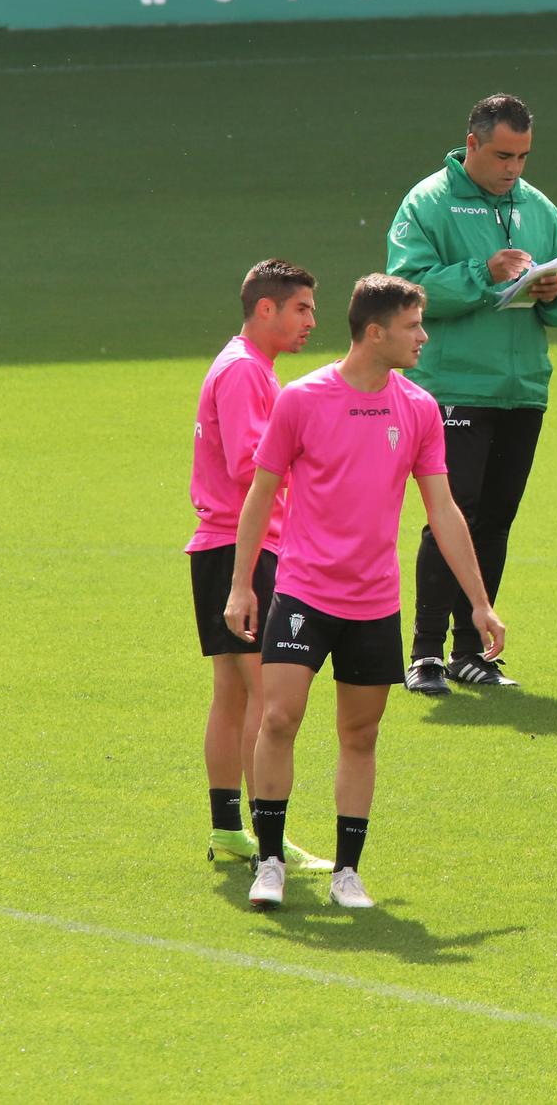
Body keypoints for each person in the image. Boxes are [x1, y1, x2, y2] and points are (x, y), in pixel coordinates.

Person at [228, 275, 506, 910]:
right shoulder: (301, 399)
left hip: (374, 602)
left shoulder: (418, 408)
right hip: (302, 592)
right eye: (413, 325)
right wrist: (242, 585)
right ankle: (269, 861)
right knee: (279, 717)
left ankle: (346, 873)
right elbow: (261, 493)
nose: (424, 337)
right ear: (375, 332)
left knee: (360, 735)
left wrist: (480, 602)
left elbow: (443, 510)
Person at [386, 93, 557, 694]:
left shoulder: (538, 206)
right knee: (453, 515)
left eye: (523, 156)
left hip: (522, 387)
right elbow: (406, 289)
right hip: (451, 386)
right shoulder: (428, 202)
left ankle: (471, 651)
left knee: (496, 520)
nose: (513, 169)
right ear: (471, 144)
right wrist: (485, 274)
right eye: (503, 155)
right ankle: (425, 652)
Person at [188, 259, 331, 873]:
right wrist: (324, 471)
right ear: (265, 308)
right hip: (244, 549)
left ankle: (230, 831)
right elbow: (254, 466)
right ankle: (268, 841)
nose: (311, 322)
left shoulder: (245, 365)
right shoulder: (247, 372)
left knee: (233, 695)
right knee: (271, 702)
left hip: (219, 546)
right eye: (301, 309)